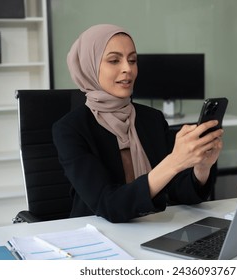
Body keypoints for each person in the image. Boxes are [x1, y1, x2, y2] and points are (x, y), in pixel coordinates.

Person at [52, 24, 223, 223]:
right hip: (98, 236)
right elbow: (109, 205)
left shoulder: (152, 119)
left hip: (152, 228)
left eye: (132, 60)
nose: (128, 69)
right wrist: (174, 162)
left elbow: (179, 192)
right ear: (89, 66)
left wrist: (202, 167)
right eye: (114, 60)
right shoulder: (70, 129)